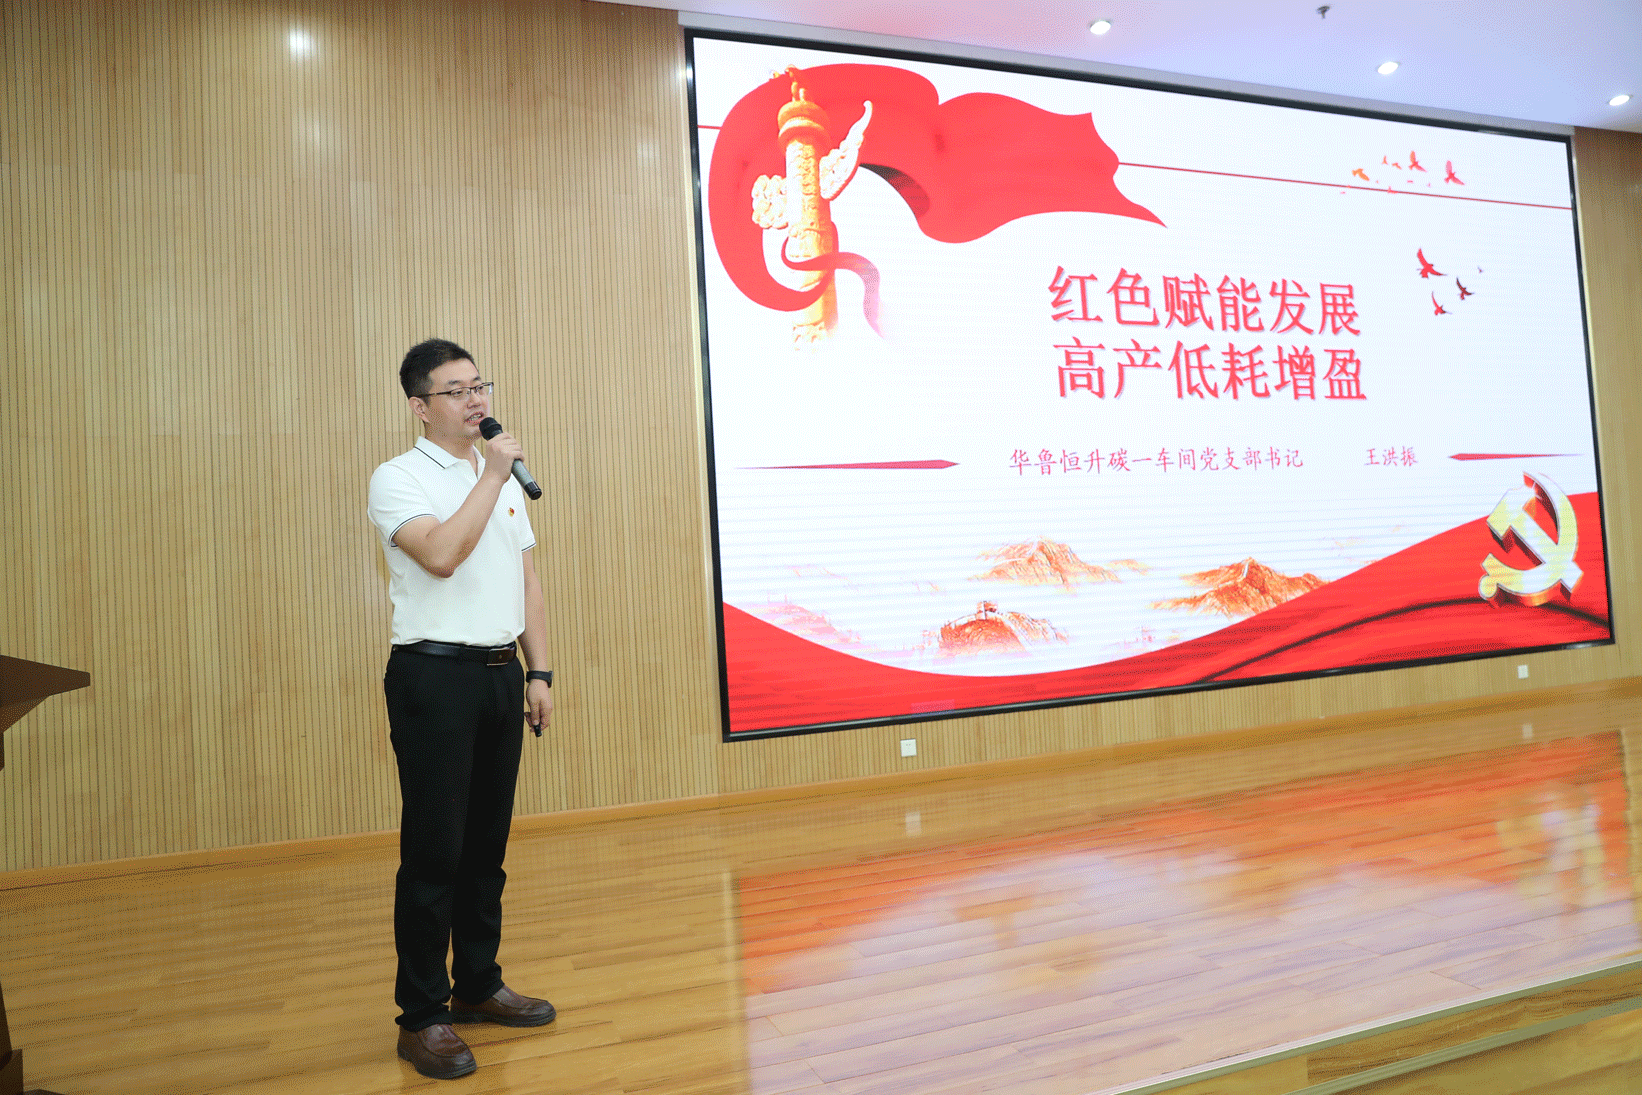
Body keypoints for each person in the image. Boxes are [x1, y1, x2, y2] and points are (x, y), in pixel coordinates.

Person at [366, 338, 556, 1080]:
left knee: (485, 848)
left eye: (480, 386)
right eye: (456, 390)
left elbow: (526, 579)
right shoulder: (399, 477)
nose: (476, 400)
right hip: (433, 677)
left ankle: (478, 983)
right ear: (421, 406)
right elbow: (441, 555)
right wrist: (495, 474)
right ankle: (422, 1016)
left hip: (501, 676)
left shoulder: (496, 474)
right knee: (435, 852)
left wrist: (540, 671)